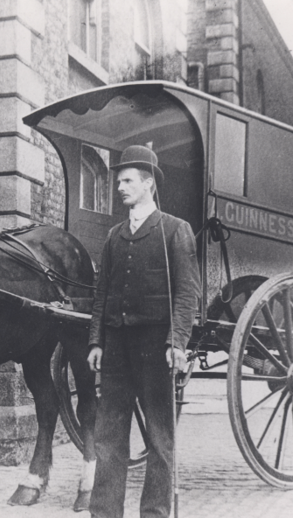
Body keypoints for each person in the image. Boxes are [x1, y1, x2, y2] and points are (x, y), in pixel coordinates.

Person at [87, 145, 201, 518]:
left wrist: (177, 342)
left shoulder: (174, 230)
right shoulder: (113, 236)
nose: (120, 187)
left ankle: (154, 513)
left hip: (157, 348)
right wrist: (96, 342)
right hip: (117, 348)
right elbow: (101, 293)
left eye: (127, 180)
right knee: (108, 436)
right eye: (118, 181)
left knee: (160, 437)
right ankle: (104, 512)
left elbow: (187, 293)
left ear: (148, 183)